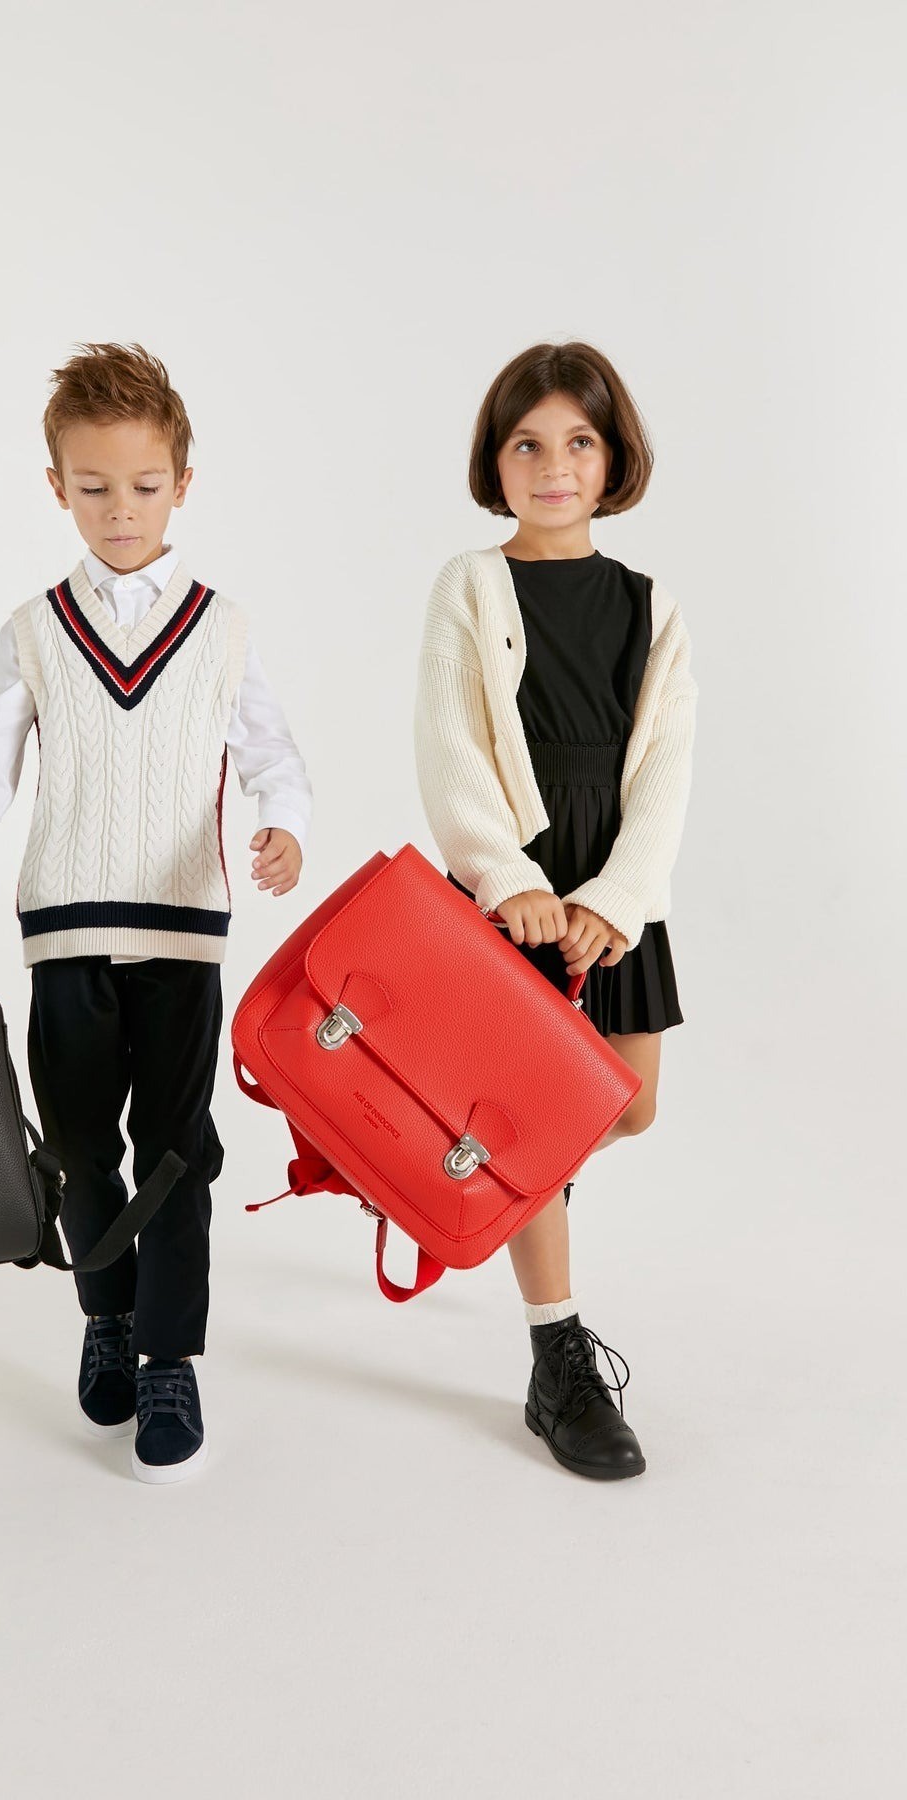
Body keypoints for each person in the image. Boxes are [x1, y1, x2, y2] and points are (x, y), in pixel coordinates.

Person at [0, 341, 312, 1482]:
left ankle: (169, 1355)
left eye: (142, 485)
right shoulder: (35, 630)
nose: (120, 509)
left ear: (182, 483)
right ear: (57, 488)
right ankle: (108, 1316)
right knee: (81, 1148)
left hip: (182, 934)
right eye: (93, 487)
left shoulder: (222, 627)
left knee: (177, 1153)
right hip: (68, 936)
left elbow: (275, 754)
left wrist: (285, 823)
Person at [414, 340, 696, 1480]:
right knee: (536, 1125)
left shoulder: (650, 604)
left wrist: (615, 900)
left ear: (612, 458)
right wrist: (512, 881)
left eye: (578, 442)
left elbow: (667, 764)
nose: (553, 466)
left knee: (627, 1104)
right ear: (496, 462)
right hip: (519, 890)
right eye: (526, 445)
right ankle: (556, 1355)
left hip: (614, 883)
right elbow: (450, 746)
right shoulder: (471, 585)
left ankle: (518, 1180)